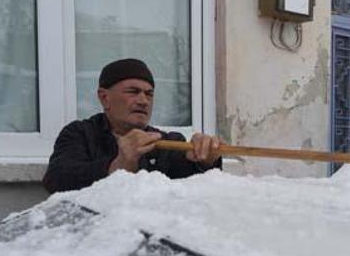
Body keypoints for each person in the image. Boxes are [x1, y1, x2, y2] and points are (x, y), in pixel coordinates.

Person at [43, 58, 222, 193]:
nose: (143, 101)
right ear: (104, 98)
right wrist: (118, 164)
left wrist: (204, 161)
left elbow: (194, 194)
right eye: (133, 92)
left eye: (149, 94)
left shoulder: (168, 142)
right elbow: (57, 181)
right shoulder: (80, 134)